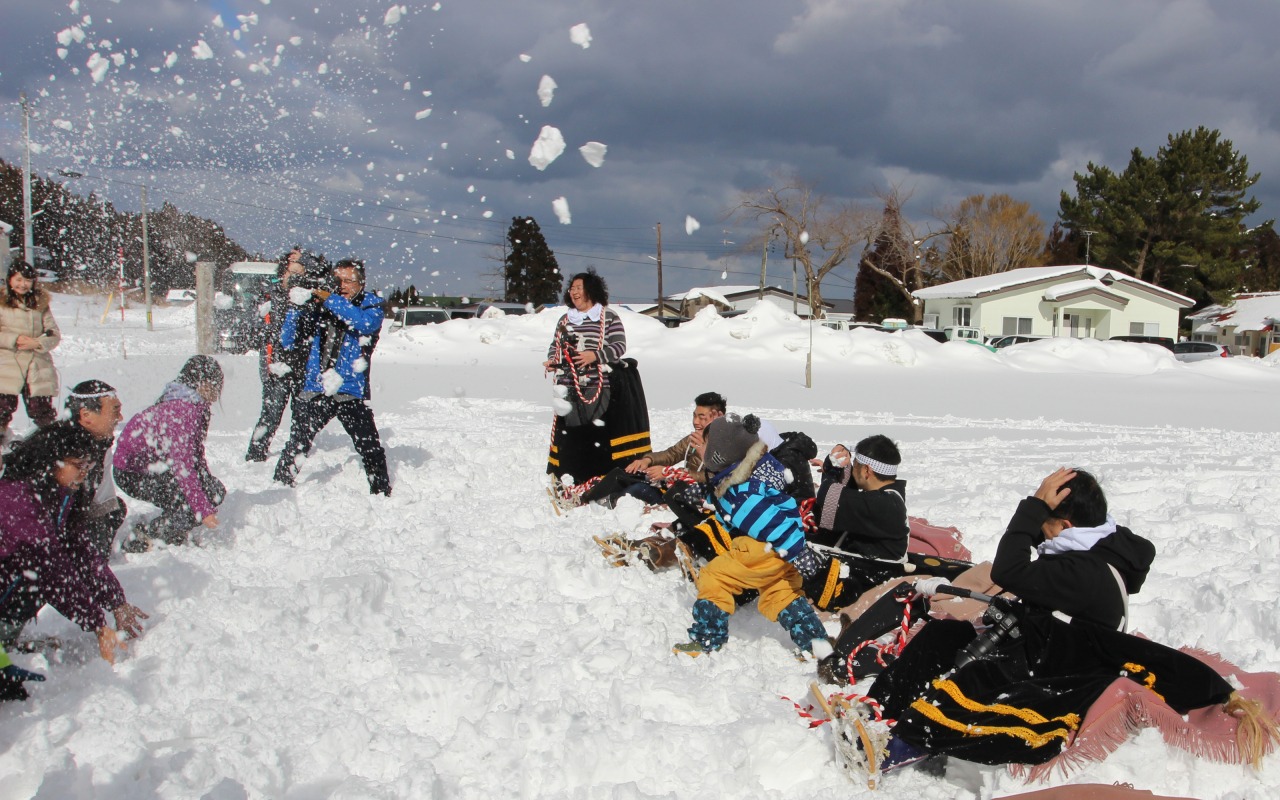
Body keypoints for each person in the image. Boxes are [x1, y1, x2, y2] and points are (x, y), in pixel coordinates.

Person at [846, 468, 1185, 772]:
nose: (1040, 531)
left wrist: (1032, 509)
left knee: (974, 679)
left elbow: (1009, 571)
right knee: (943, 635)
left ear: (1066, 526)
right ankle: (883, 706)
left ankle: (906, 743)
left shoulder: (1081, 570)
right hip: (1045, 646)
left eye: (1045, 522)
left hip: (1058, 671)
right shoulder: (1099, 543)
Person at [672, 415, 831, 658]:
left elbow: (772, 523)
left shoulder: (745, 495)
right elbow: (725, 487)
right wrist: (702, 495)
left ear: (716, 454)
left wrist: (799, 552)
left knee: (714, 578)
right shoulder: (753, 471)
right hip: (775, 552)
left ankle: (707, 638)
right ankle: (815, 643)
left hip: (760, 549)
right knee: (781, 592)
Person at [0, 423, 146, 665]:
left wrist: (115, 602)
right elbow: (51, 568)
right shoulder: (18, 498)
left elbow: (79, 550)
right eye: (77, 466)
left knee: (34, 577)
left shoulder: (57, 493)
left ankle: (6, 643)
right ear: (51, 460)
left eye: (87, 466)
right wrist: (97, 624)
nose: (83, 473)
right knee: (36, 575)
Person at [272, 258, 391, 495]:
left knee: (369, 446)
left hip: (350, 389)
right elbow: (287, 341)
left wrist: (330, 299)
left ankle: (381, 493)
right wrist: (297, 307)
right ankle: (279, 489)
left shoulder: (371, 305)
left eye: (349, 280)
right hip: (316, 386)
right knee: (297, 443)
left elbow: (363, 325)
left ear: (362, 282)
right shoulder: (322, 304)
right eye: (339, 280)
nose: (343, 285)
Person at [114, 356, 226, 551]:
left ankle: (170, 527)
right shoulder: (182, 410)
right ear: (202, 382)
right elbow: (183, 467)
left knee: (212, 491)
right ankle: (148, 535)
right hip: (133, 473)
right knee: (189, 501)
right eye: (215, 383)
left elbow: (194, 456)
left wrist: (204, 487)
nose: (218, 390)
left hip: (153, 468)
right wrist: (202, 510)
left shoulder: (191, 405)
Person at [544, 269, 627, 485]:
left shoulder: (608, 317)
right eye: (572, 288)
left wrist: (595, 355)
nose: (574, 292)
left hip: (596, 385)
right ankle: (571, 475)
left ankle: (594, 477)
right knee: (570, 433)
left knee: (592, 431)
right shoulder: (565, 319)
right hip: (567, 385)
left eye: (579, 288)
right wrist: (553, 359)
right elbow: (556, 345)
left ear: (591, 290)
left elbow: (619, 346)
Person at [245, 249, 310, 462]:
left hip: (301, 364)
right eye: (292, 266)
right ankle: (256, 452)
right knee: (271, 412)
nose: (295, 273)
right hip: (276, 364)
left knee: (301, 414)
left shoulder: (305, 295)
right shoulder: (271, 293)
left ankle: (295, 453)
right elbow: (259, 327)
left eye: (300, 267)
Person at [62, 380, 126, 556]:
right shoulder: (67, 453)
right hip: (52, 529)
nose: (120, 418)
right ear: (86, 415)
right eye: (115, 410)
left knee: (114, 511)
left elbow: (104, 500)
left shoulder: (99, 445)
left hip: (80, 514)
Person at [0, 262, 60, 439]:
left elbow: (54, 334)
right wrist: (14, 340)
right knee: (2, 409)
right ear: (10, 280)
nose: (22, 284)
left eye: (27, 280)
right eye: (18, 279)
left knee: (41, 411)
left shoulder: (40, 304)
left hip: (37, 364)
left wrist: (38, 343)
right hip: (7, 363)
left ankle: (50, 447)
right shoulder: (2, 303)